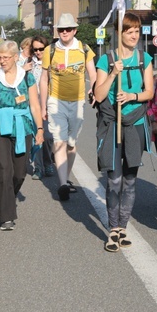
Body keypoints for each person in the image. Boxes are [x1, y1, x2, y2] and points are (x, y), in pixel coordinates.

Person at [93, 12, 154, 252]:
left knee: (130, 180)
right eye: (129, 31)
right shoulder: (106, 60)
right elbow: (98, 95)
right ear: (119, 33)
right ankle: (112, 228)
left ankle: (123, 227)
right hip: (111, 124)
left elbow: (150, 92)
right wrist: (113, 74)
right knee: (114, 179)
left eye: (137, 31)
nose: (134, 35)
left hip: (135, 123)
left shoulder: (144, 58)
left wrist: (132, 96)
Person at [0, 40, 43, 231]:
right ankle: (6, 215)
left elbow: (35, 105)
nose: (2, 60)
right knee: (4, 170)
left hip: (22, 126)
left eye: (6, 57)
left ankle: (8, 195)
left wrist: (40, 129)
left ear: (15, 57)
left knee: (19, 172)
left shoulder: (27, 78)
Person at [39, 13, 96, 201]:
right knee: (59, 142)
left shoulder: (84, 49)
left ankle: (66, 176)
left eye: (68, 29)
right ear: (57, 31)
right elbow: (44, 79)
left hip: (78, 101)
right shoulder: (50, 50)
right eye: (61, 29)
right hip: (56, 101)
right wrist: (43, 106)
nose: (65, 32)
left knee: (71, 144)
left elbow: (93, 75)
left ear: (74, 30)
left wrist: (94, 91)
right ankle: (62, 184)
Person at [30, 34, 56, 178]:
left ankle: (47, 162)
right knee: (37, 135)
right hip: (35, 104)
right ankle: (38, 167)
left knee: (48, 136)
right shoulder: (29, 64)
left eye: (41, 49)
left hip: (50, 103)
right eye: (35, 50)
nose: (38, 52)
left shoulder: (52, 63)